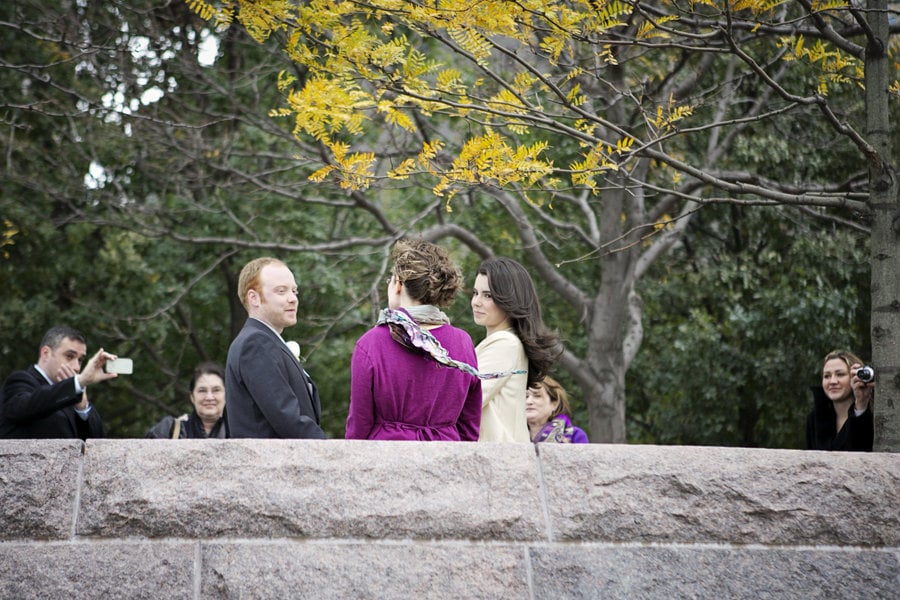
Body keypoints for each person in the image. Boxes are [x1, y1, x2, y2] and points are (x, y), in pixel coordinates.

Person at [346, 240, 482, 441]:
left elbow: (359, 424)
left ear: (399, 283)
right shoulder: (462, 342)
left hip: (386, 460)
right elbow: (469, 426)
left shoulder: (371, 343)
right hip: (446, 458)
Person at [225, 257, 326, 439]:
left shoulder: (265, 340)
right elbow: (287, 418)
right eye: (281, 291)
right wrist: (330, 452)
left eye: (295, 291)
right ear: (254, 298)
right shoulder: (255, 343)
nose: (293, 299)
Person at [471, 257, 561, 442]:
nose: (476, 302)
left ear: (509, 299)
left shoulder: (505, 343)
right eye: (475, 293)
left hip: (498, 459)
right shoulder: (507, 342)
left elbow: (467, 399)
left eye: (487, 295)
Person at [0, 326, 118, 439]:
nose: (76, 367)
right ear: (46, 353)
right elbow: (27, 407)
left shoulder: (73, 393)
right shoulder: (19, 380)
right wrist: (78, 383)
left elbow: (97, 445)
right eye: (69, 356)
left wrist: (82, 407)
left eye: (80, 360)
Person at [806, 349, 874, 451]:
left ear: (856, 377)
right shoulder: (814, 419)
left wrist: (861, 404)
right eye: (827, 376)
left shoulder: (875, 417)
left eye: (840, 374)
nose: (832, 381)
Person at [145, 362, 227, 439]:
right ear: (192, 397)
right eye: (202, 391)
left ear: (227, 395)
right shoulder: (169, 430)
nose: (209, 397)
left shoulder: (236, 431)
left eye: (216, 390)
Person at [525, 376, 589, 444]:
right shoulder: (513, 437)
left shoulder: (575, 435)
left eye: (537, 396)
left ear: (554, 404)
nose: (528, 401)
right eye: (525, 396)